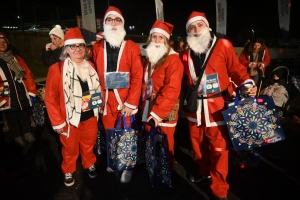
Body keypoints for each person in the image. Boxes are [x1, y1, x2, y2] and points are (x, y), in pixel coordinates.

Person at [182, 12, 257, 200]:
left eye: (199, 25)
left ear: (207, 27)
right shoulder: (185, 54)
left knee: (218, 150)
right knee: (198, 147)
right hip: (194, 110)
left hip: (217, 108)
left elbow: (236, 69)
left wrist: (247, 84)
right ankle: (203, 171)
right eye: (191, 27)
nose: (196, 30)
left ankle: (219, 189)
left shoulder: (223, 45)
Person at [44, 28, 101, 186]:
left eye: (80, 46)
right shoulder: (56, 69)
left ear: (85, 48)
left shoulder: (90, 65)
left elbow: (97, 89)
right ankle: (68, 169)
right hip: (69, 118)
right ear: (66, 49)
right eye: (73, 46)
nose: (77, 49)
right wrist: (57, 121)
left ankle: (89, 163)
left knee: (89, 144)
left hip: (90, 115)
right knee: (69, 148)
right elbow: (50, 98)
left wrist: (99, 107)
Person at [92, 6, 143, 183]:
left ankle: (128, 166)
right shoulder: (97, 46)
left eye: (117, 20)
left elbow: (138, 76)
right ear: (104, 23)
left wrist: (131, 102)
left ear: (122, 24)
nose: (113, 23)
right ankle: (114, 160)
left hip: (125, 99)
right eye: (110, 20)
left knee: (127, 133)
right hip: (106, 99)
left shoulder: (132, 47)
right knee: (110, 133)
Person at [141, 20, 183, 173]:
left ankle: (166, 175)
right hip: (149, 108)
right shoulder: (150, 58)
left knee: (165, 144)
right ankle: (155, 171)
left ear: (167, 40)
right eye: (154, 37)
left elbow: (172, 89)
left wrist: (157, 114)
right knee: (153, 142)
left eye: (161, 38)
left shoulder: (173, 60)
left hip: (163, 111)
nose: (157, 41)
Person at [0, 32, 37, 147]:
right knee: (11, 117)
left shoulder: (16, 58)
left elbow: (28, 74)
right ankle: (17, 136)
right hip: (5, 95)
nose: (2, 44)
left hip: (21, 92)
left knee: (24, 113)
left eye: (4, 42)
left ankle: (27, 133)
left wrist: (32, 91)